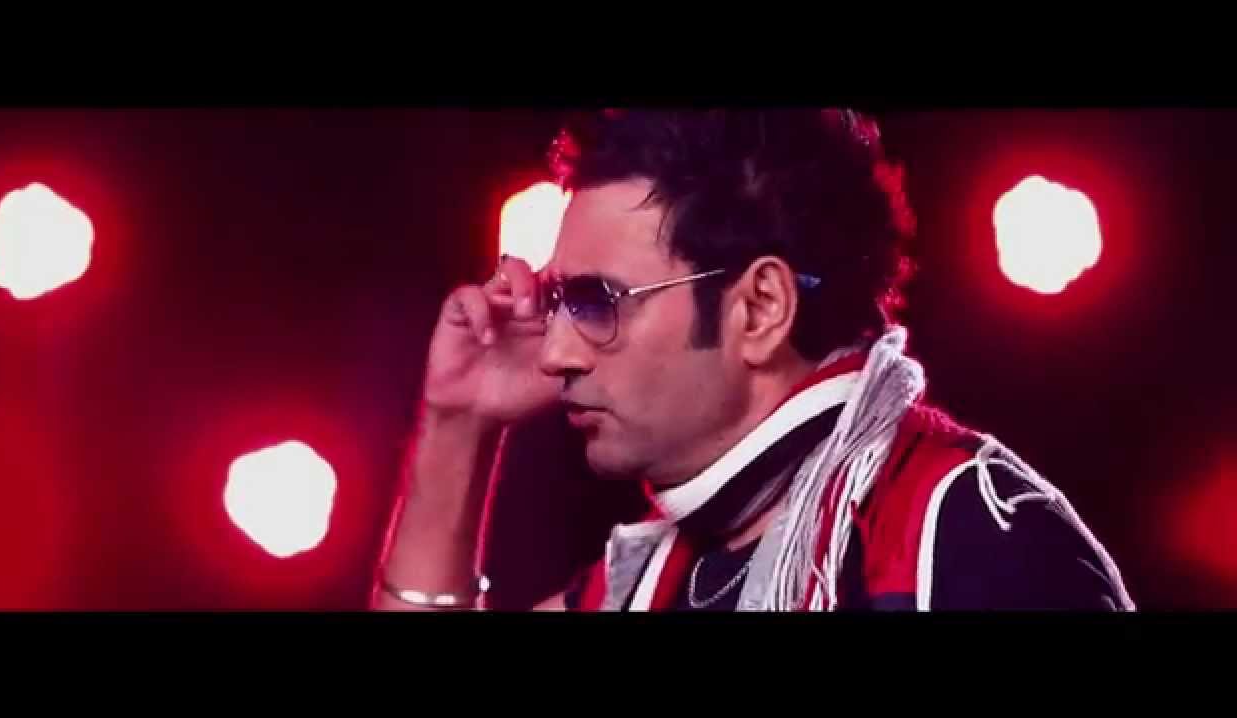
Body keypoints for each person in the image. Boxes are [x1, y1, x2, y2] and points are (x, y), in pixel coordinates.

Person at [372, 109, 1135, 612]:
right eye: (559, 302)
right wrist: (457, 423)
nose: (555, 354)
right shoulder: (654, 577)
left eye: (597, 301)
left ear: (761, 307)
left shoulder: (976, 539)